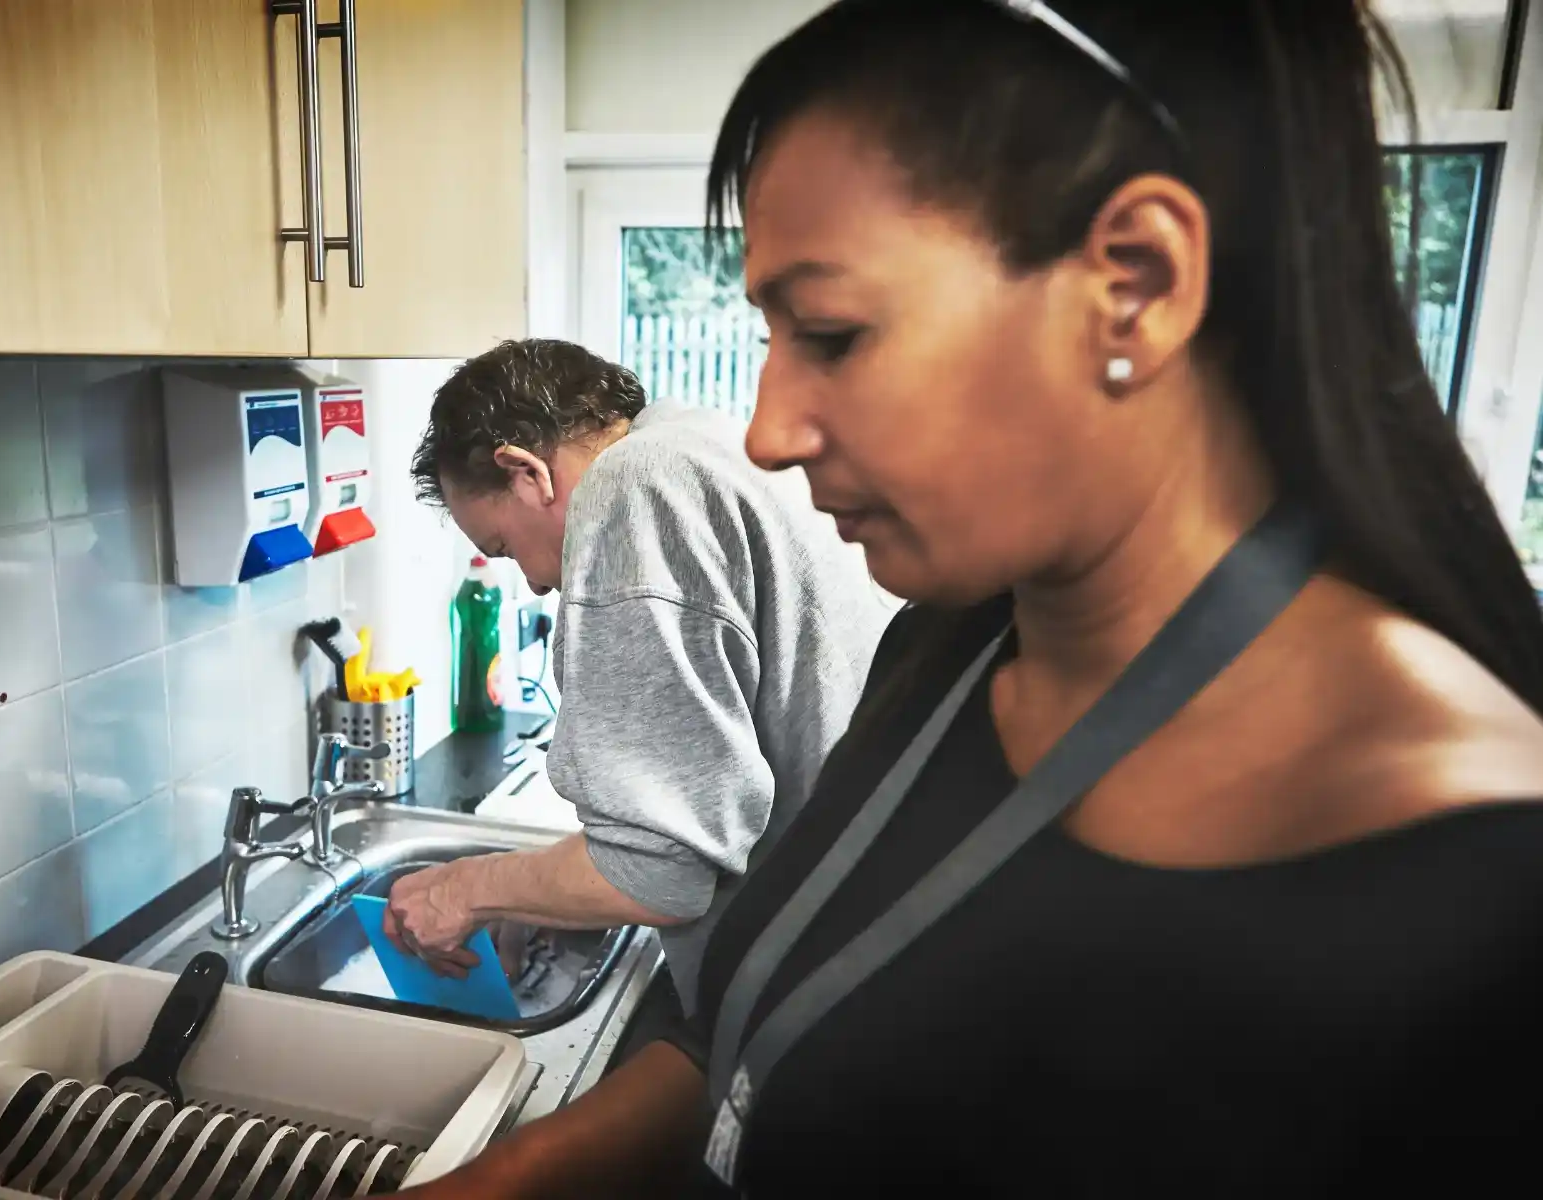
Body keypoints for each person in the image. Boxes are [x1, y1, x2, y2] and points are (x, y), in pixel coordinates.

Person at [400, 1, 1543, 1196]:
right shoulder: (948, 651)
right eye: (772, 336)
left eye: (833, 332)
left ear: (1136, 286)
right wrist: (515, 1175)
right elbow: (767, 1024)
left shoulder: (1476, 899)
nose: (772, 429)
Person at [388, 338, 895, 1014]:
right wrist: (537, 890)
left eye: (505, 547)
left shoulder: (632, 493)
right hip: (878, 926)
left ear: (526, 472)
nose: (536, 585)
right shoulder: (696, 439)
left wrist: (466, 889)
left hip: (834, 986)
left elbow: (657, 876)